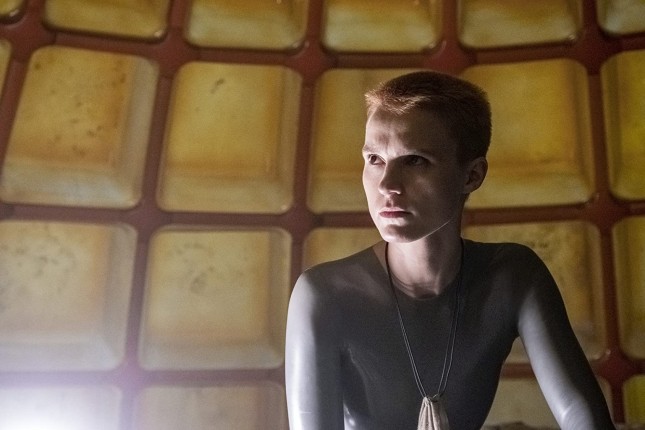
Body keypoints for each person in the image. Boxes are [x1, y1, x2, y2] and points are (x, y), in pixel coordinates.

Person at [284, 70, 615, 430]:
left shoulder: (514, 277)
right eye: (375, 159)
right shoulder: (324, 295)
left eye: (414, 160)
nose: (387, 185)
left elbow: (583, 416)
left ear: (472, 176)